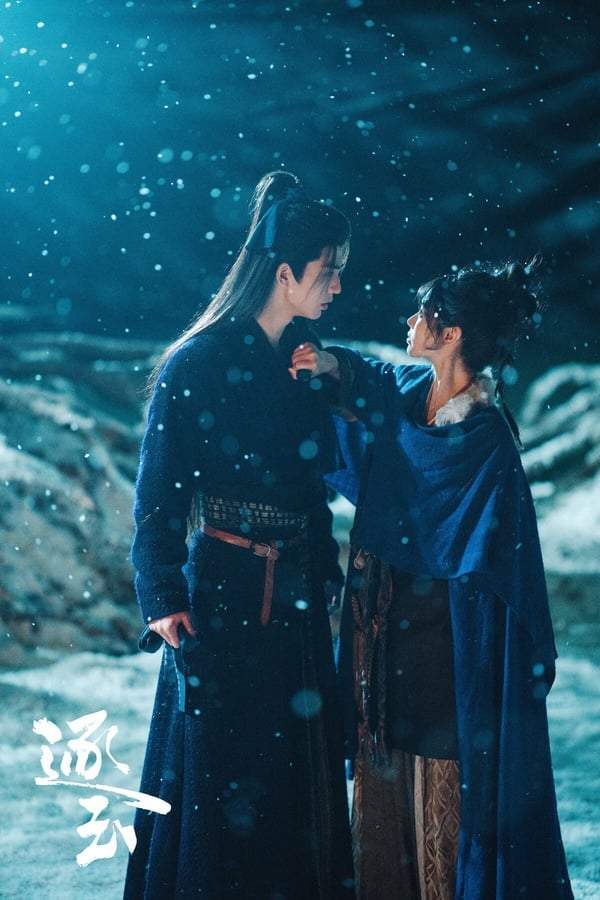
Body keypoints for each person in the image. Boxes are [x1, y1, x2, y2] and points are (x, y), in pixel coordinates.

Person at [289, 259, 574, 899]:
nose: (412, 321)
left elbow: (502, 562)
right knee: (381, 756)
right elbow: (371, 378)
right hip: (380, 619)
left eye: (425, 315)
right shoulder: (411, 392)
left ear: (451, 334)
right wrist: (330, 364)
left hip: (446, 631)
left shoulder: (486, 440)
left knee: (441, 767)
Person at [123, 170, 355, 899]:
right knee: (221, 774)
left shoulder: (308, 357)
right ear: (284, 273)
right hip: (222, 595)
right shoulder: (196, 362)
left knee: (296, 773)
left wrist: (323, 571)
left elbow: (312, 481)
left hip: (295, 595)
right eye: (328, 271)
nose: (337, 286)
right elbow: (159, 493)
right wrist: (162, 594)